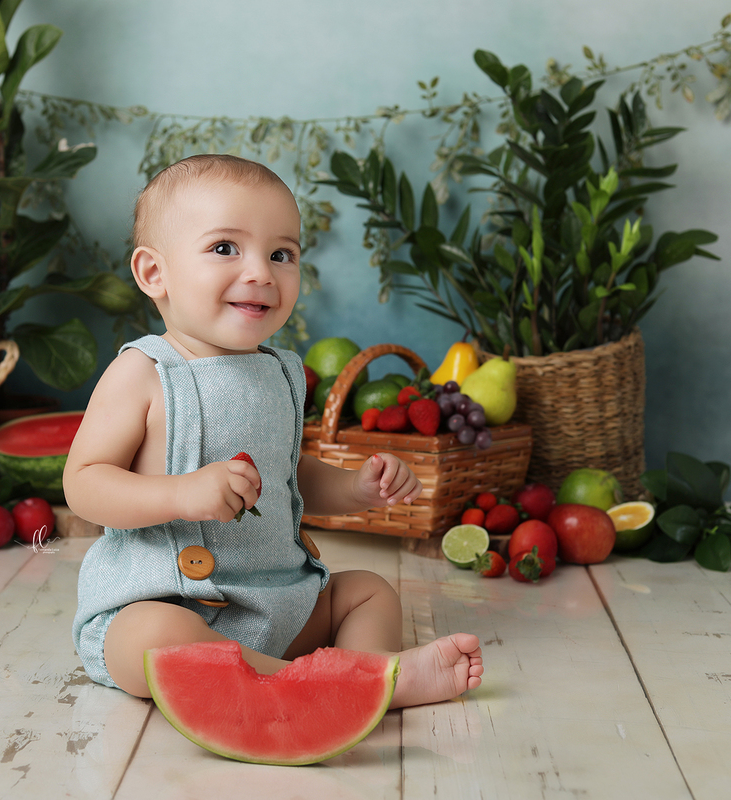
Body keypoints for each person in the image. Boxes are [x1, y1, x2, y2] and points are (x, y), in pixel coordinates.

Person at [65, 154, 482, 708]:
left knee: (367, 592)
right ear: (153, 274)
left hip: (277, 602)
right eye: (224, 248)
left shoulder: (283, 372)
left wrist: (356, 488)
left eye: (281, 253)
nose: (261, 271)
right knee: (148, 640)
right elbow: (85, 485)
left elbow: (288, 474)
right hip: (172, 604)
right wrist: (179, 493)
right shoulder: (143, 371)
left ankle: (370, 678)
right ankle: (322, 688)